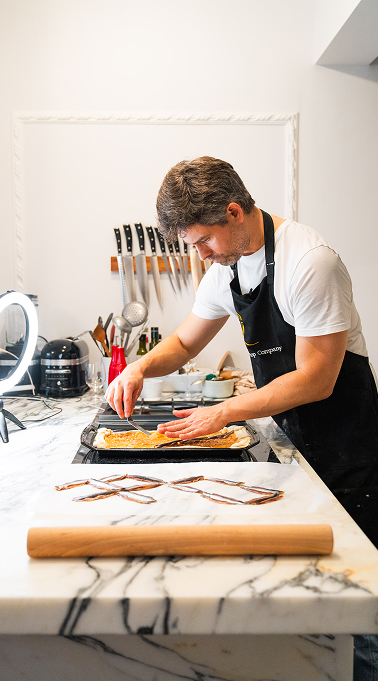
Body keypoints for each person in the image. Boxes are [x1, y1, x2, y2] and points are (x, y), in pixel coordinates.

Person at [107, 156, 378, 551]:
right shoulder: (225, 268)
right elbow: (184, 343)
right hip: (290, 439)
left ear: (233, 212)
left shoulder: (310, 261)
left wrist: (222, 413)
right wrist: (138, 368)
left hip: (347, 449)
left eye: (203, 241)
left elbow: (316, 380)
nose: (200, 256)